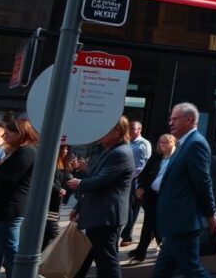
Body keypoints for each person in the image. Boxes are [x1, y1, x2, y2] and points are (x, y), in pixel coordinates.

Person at [153, 103, 216, 278]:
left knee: (192, 269)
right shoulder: (184, 143)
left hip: (183, 221)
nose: (170, 123)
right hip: (176, 221)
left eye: (174, 119)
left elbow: (203, 181)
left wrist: (210, 212)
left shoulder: (195, 144)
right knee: (163, 270)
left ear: (189, 120)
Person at [68, 116, 136, 278]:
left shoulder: (120, 153)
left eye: (105, 129)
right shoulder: (110, 151)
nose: (100, 133)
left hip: (106, 216)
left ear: (117, 133)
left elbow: (101, 181)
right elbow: (96, 178)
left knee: (106, 261)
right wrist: (78, 207)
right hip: (99, 215)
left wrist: (79, 183)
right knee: (89, 257)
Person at [0, 117, 38, 278]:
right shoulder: (17, 151)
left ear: (20, 134)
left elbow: (7, 179)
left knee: (10, 250)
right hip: (4, 208)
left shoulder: (26, 152)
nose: (4, 137)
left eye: (8, 134)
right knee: (1, 249)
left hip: (10, 209)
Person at [128, 133, 176, 263]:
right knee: (148, 225)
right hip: (152, 196)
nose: (163, 144)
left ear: (173, 143)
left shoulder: (177, 160)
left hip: (167, 199)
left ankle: (161, 250)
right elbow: (143, 175)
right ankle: (141, 253)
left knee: (157, 225)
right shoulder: (156, 158)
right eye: (161, 142)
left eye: (166, 142)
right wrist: (140, 187)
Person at [120, 120, 152, 248]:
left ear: (139, 129)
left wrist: (136, 180)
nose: (130, 131)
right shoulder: (127, 142)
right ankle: (128, 234)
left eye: (132, 129)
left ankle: (127, 235)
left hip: (137, 181)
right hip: (128, 179)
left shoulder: (143, 144)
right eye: (129, 129)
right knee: (130, 208)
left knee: (133, 208)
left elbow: (143, 166)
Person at [44, 144, 73, 248]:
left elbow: (67, 179)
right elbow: (46, 180)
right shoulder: (50, 163)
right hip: (48, 202)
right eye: (62, 148)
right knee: (53, 232)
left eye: (66, 148)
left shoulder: (64, 163)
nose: (64, 151)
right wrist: (58, 189)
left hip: (57, 203)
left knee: (48, 233)